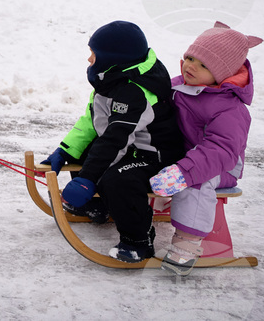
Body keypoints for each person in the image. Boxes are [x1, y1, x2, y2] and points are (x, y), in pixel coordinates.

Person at [41, 21, 184, 263]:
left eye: (94, 55)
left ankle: (138, 239)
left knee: (118, 179)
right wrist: (66, 150)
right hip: (130, 145)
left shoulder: (134, 92)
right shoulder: (111, 79)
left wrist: (87, 178)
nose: (89, 60)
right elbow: (92, 118)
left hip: (154, 154)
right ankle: (99, 206)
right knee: (88, 153)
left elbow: (114, 140)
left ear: (113, 58)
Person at [150, 22, 262, 275]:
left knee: (196, 182)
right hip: (183, 158)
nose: (190, 66)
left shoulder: (230, 108)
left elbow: (220, 149)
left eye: (203, 65)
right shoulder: (178, 87)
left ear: (222, 73)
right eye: (190, 57)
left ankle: (187, 244)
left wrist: (184, 172)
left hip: (220, 166)